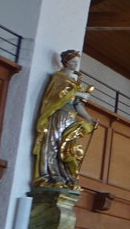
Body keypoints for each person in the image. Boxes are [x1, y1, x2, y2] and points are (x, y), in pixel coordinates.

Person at [32, 50, 97, 189]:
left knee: (68, 146)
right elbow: (57, 96)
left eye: (76, 62)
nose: (75, 65)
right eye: (73, 62)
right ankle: (52, 174)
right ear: (66, 62)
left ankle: (66, 175)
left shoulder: (74, 82)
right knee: (54, 142)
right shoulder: (59, 77)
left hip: (71, 116)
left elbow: (77, 104)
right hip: (59, 115)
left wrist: (89, 118)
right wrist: (79, 93)